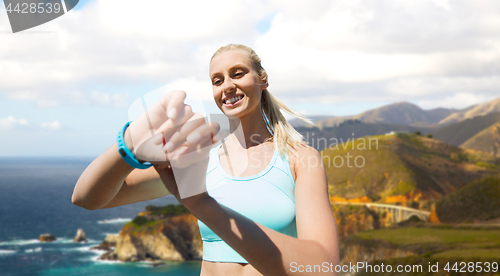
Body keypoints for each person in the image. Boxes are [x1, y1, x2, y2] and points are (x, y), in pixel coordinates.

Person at [72, 44, 339, 275]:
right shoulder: (202, 156)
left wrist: (202, 204)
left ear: (263, 79)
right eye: (217, 80)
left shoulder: (299, 158)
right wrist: (128, 145)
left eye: (238, 73)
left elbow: (323, 267)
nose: (228, 86)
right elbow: (86, 199)